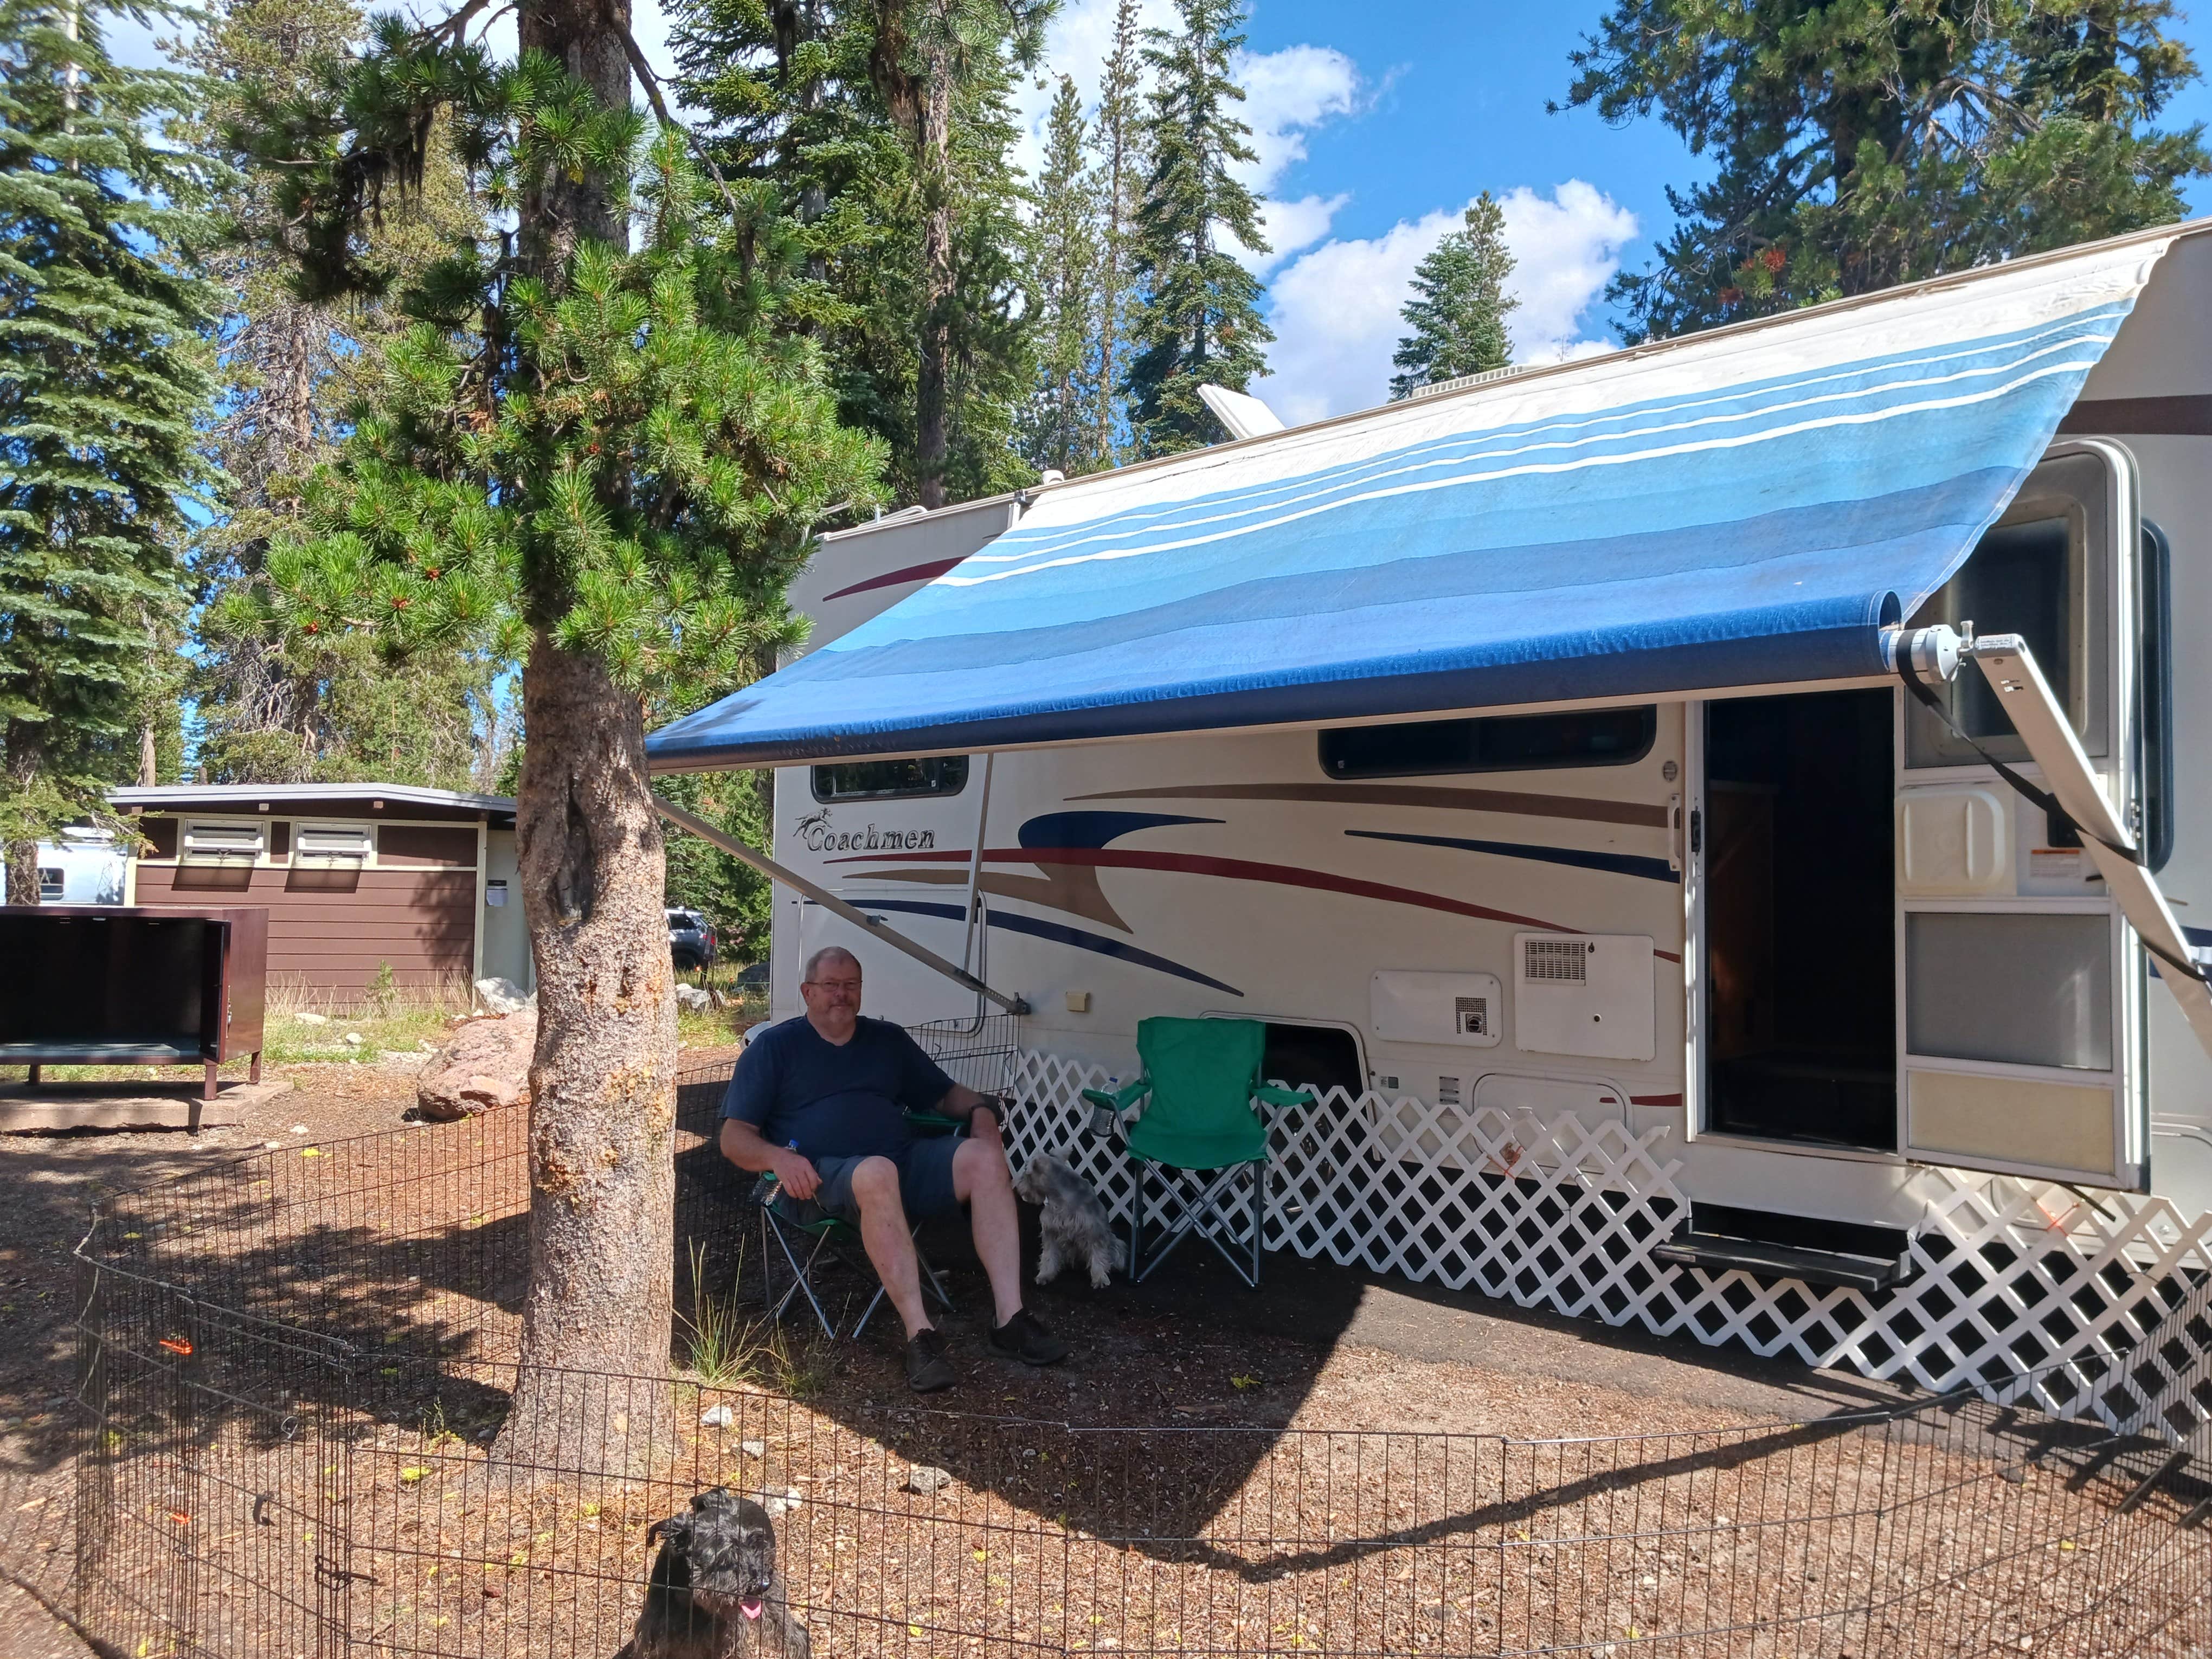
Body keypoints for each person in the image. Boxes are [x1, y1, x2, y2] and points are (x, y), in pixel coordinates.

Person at [718, 946, 1068, 1392]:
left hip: (902, 1164)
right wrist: (778, 1158)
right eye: (830, 986)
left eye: (851, 986)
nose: (841, 996)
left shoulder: (886, 1040)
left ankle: (1010, 1319)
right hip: (818, 1179)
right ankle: (920, 1334)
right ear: (807, 992)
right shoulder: (775, 1048)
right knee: (878, 1171)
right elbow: (735, 1137)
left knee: (983, 1158)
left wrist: (983, 1112)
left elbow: (944, 1094)